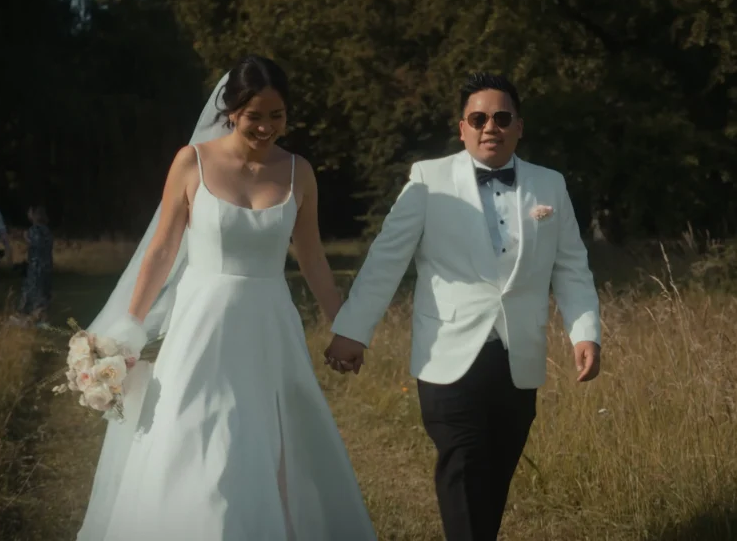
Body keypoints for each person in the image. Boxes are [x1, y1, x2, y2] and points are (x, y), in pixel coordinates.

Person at [76, 55, 376, 540]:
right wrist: (128, 328)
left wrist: (346, 327)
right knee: (196, 431)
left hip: (269, 327)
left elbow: (313, 258)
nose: (266, 127)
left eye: (277, 115)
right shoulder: (191, 162)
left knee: (272, 439)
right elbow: (162, 251)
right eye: (255, 114)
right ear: (232, 110)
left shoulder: (300, 172)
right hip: (203, 326)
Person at [325, 73, 603, 540]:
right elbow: (387, 258)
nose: (489, 126)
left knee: (492, 478)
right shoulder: (427, 180)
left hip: (520, 356)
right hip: (448, 356)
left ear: (519, 126)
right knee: (463, 468)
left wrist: (585, 331)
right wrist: (354, 328)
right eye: (478, 118)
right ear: (462, 128)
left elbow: (572, 267)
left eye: (500, 117)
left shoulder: (549, 185)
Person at [15, 205, 53, 326]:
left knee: (33, 290)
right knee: (44, 291)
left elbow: (36, 244)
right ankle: (42, 318)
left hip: (36, 265)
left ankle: (30, 317)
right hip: (47, 265)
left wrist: (26, 237)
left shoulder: (34, 230)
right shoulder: (47, 230)